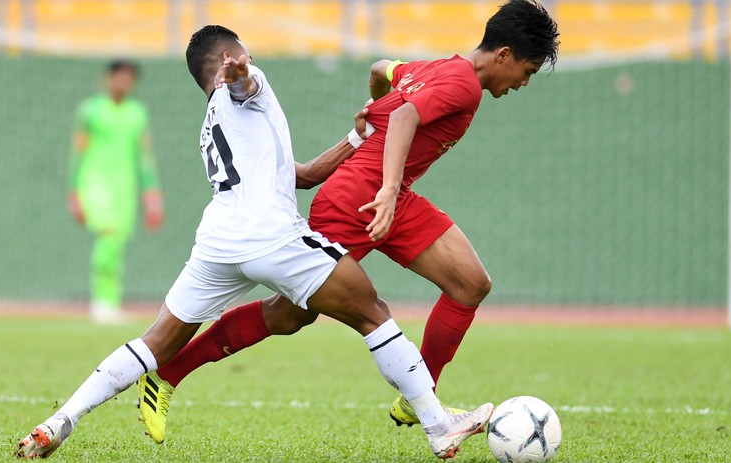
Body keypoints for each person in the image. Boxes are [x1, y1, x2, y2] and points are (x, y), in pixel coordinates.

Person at [16, 25, 492, 460]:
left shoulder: (212, 123)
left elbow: (300, 176)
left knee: (155, 341)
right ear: (230, 55)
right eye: (243, 55)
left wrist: (355, 136)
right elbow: (246, 84)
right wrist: (242, 75)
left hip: (217, 244)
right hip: (271, 236)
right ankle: (437, 424)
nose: (249, 61)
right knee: (373, 313)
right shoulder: (244, 83)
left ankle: (62, 419)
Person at [137, 0, 559, 443]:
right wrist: (388, 187)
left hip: (387, 196)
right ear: (504, 55)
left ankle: (421, 395)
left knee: (471, 283)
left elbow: (382, 69)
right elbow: (405, 114)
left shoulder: (431, 68)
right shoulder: (464, 85)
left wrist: (378, 119)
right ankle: (168, 373)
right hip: (356, 200)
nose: (523, 83)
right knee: (291, 315)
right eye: (527, 71)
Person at [69, 59, 164, 324]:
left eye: (129, 78)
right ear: (108, 78)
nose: (124, 82)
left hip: (125, 186)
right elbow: (77, 152)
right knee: (109, 236)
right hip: (95, 182)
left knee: (117, 242)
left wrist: (152, 195)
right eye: (119, 77)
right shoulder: (90, 110)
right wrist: (74, 191)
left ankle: (109, 302)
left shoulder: (137, 113)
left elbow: (145, 157)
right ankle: (102, 302)